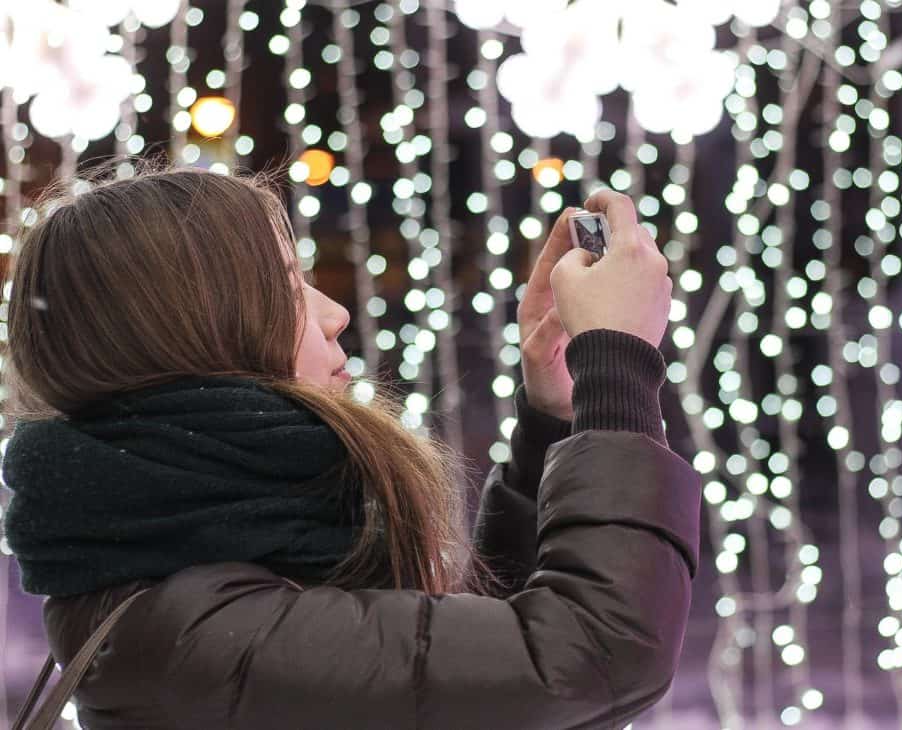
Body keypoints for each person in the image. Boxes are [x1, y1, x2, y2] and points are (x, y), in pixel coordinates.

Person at [0, 165, 700, 729]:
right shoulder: (197, 632)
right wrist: (618, 364)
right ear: (199, 334)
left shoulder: (201, 561)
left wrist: (559, 414)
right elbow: (588, 658)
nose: (334, 314)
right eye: (285, 289)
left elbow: (461, 683)